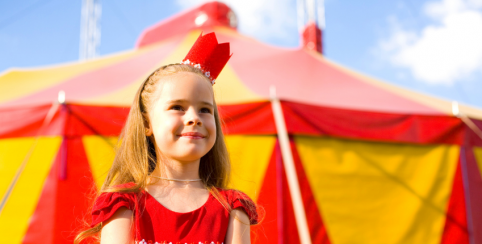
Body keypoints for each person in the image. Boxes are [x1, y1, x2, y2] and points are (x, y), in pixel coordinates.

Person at [74, 33, 261, 244]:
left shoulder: (233, 208)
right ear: (146, 124)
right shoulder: (123, 203)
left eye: (205, 110)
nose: (194, 118)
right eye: (177, 107)